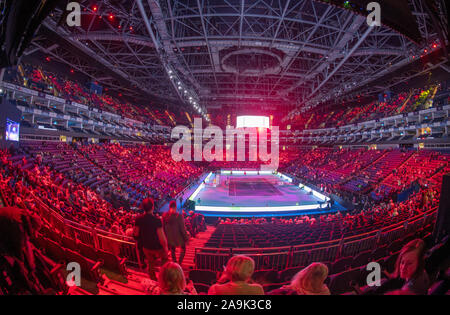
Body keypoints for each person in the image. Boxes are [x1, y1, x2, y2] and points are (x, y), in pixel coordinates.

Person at [134, 198, 168, 280]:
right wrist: (166, 248)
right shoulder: (157, 220)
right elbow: (162, 237)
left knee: (150, 263)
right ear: (153, 207)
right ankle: (162, 278)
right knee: (164, 260)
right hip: (157, 248)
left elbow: (136, 234)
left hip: (146, 247)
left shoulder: (138, 219)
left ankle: (153, 278)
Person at [162, 200, 189, 265]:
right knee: (183, 249)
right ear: (175, 207)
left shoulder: (164, 216)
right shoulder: (179, 216)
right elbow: (183, 229)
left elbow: (163, 228)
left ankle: (175, 262)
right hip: (178, 238)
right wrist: (186, 238)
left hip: (169, 239)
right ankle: (179, 263)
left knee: (172, 249)